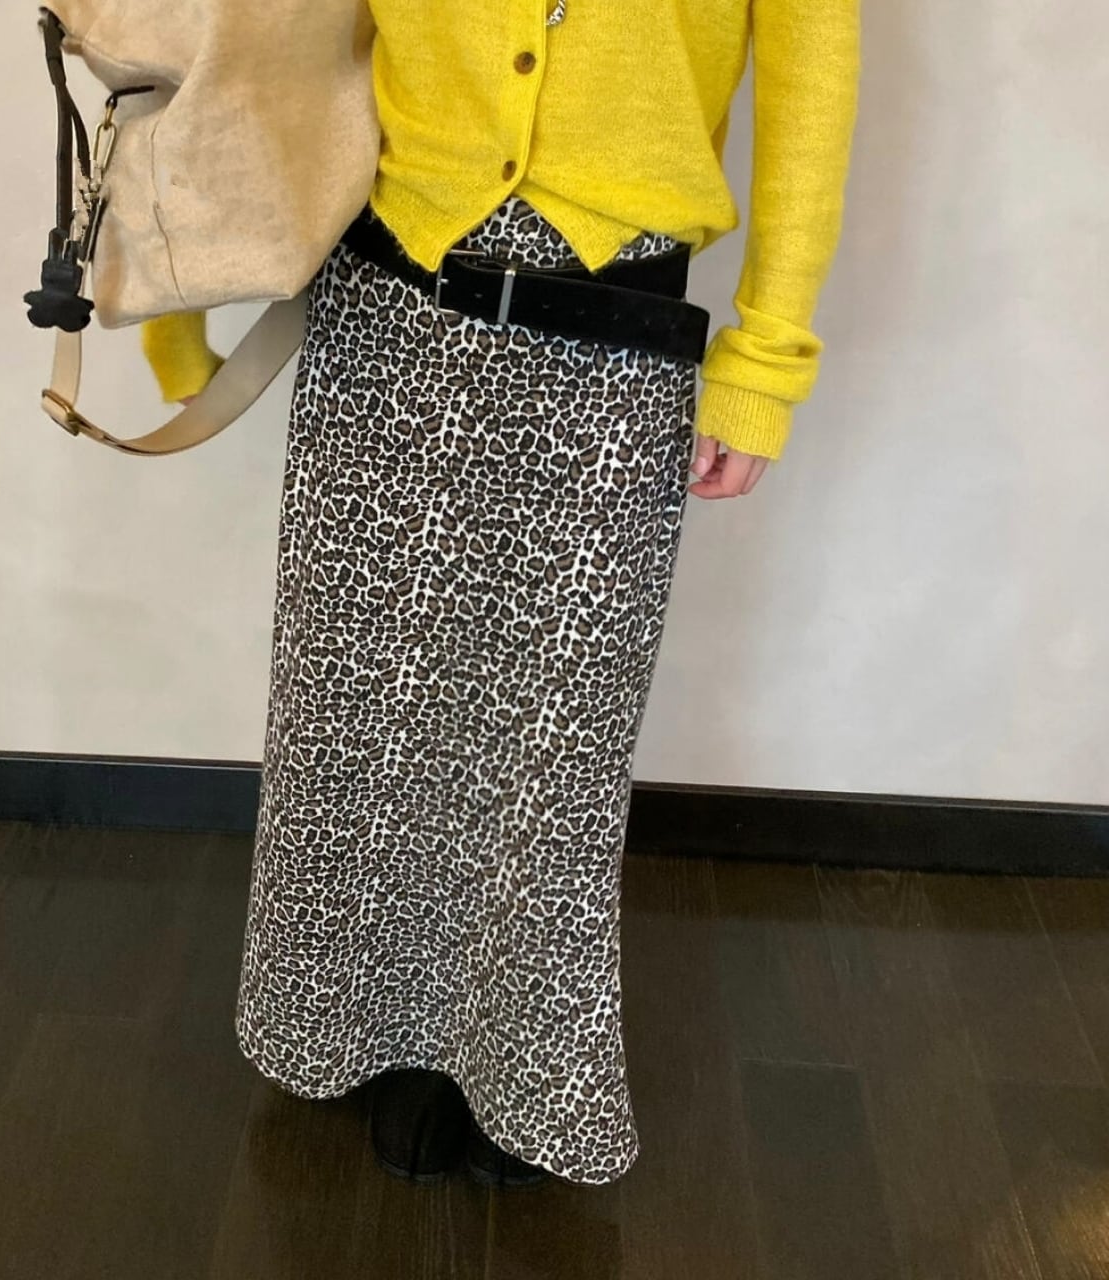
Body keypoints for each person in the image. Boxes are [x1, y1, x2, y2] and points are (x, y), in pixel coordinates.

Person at [140, 0, 861, 1188]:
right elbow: (250, 40)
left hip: (611, 332)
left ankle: (518, 1075)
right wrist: (174, 307)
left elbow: (810, 90)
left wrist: (764, 359)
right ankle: (348, 1027)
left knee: (551, 740)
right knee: (353, 709)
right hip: (386, 310)